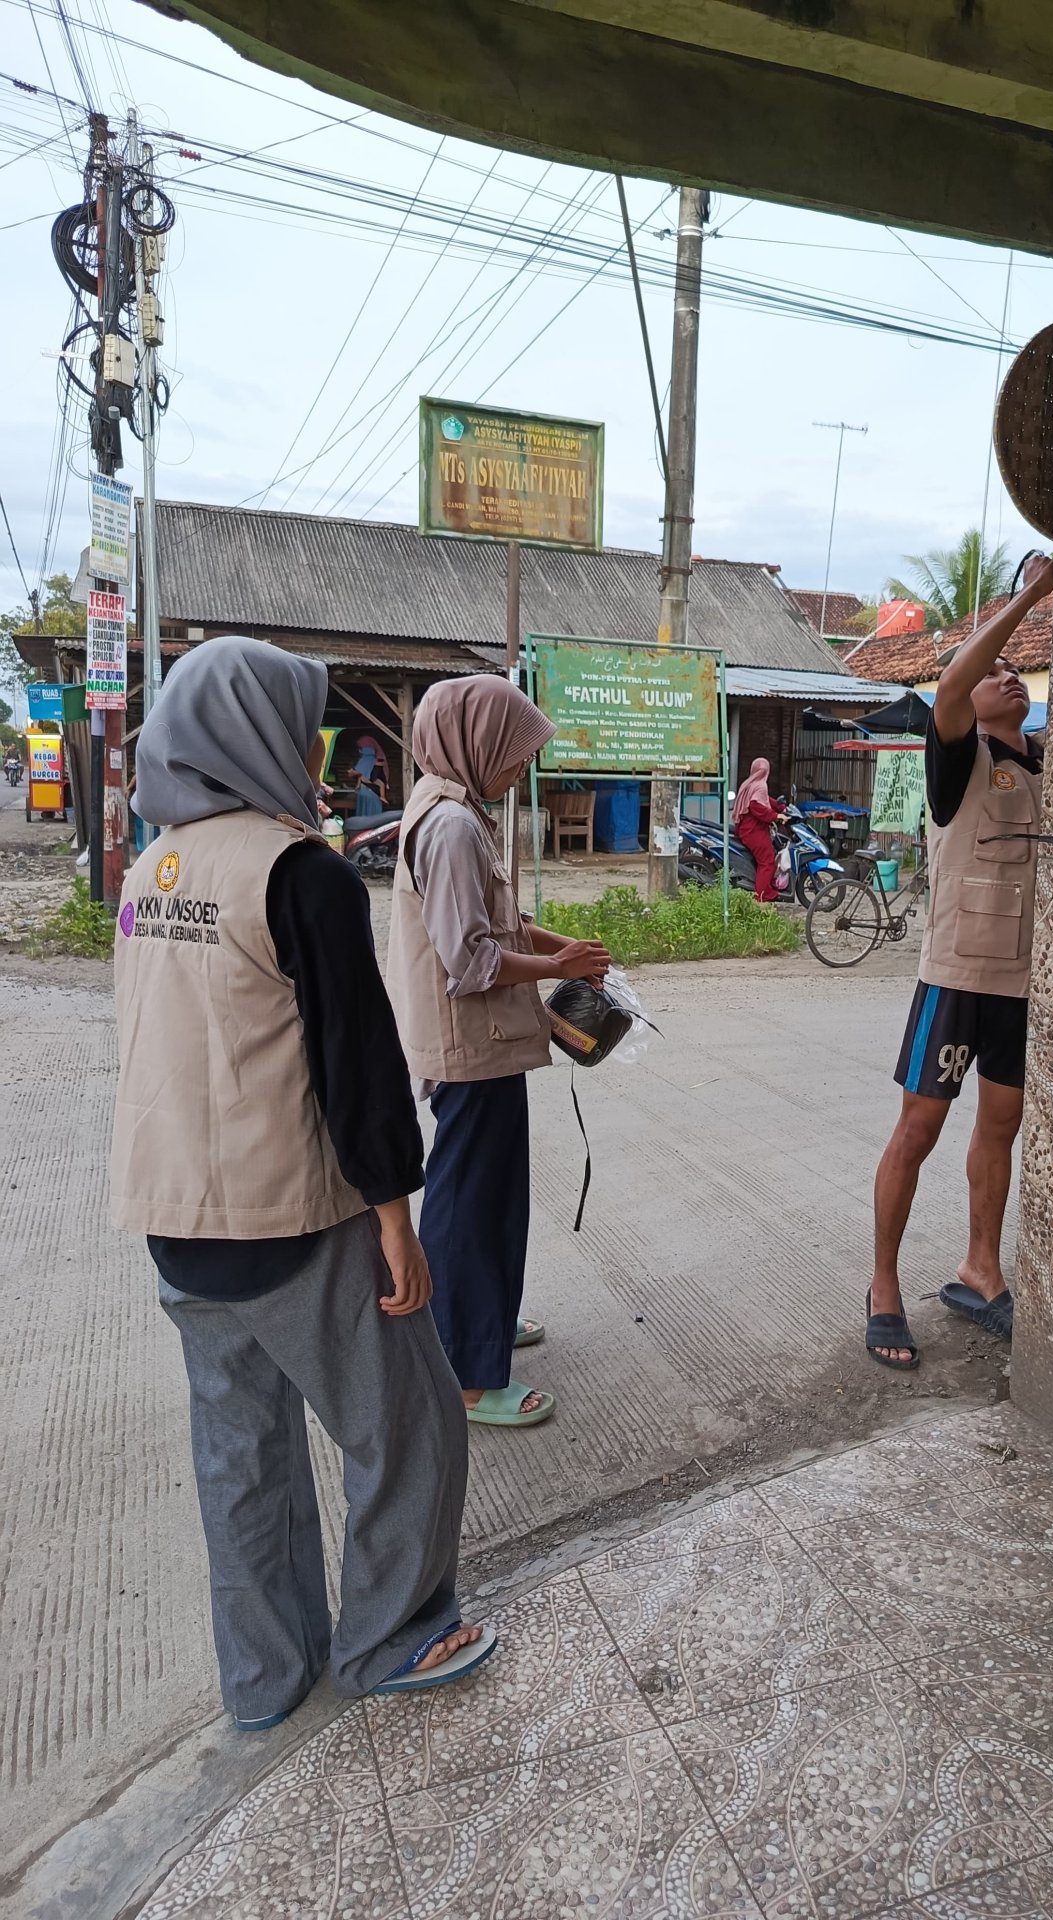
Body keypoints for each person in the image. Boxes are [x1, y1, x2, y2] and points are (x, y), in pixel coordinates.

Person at [112, 636, 491, 1732]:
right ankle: (397, 1635)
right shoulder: (300, 872)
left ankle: (266, 1681)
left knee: (243, 1454)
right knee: (409, 1426)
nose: (315, 744)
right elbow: (356, 1066)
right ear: (261, 734)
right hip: (288, 1216)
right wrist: (395, 1222)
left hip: (173, 1221)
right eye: (304, 723)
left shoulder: (154, 866)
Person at [386, 676, 610, 1428]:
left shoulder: (456, 810)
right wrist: (556, 970)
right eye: (515, 756)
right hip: (470, 1045)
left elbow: (500, 921)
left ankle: (479, 1321)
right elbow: (472, 960)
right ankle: (466, 1374)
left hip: (484, 1044)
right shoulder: (450, 828)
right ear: (475, 745)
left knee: (487, 1197)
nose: (523, 771)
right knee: (470, 1202)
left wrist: (563, 949)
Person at [866, 554, 1053, 1368]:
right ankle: (882, 1287)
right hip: (955, 978)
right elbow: (953, 686)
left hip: (1025, 982)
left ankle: (981, 1269)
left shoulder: (1051, 762)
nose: (1007, 678)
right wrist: (1027, 601)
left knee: (1003, 1124)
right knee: (920, 1128)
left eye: (1019, 673)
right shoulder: (957, 754)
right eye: (996, 671)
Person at [732, 757, 784, 902]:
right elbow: (758, 807)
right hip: (754, 831)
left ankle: (766, 887)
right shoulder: (760, 786)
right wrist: (776, 815)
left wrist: (781, 807)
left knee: (765, 859)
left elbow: (765, 800)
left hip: (746, 828)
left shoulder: (750, 783)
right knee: (767, 862)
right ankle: (762, 895)